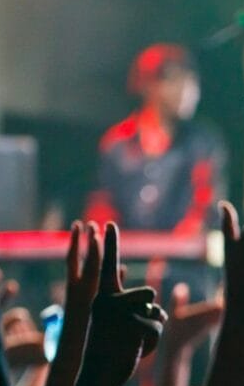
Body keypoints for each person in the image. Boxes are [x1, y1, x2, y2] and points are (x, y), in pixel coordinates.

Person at [84, 43, 226, 298]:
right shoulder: (116, 143)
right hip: (126, 268)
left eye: (192, 83)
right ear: (149, 85)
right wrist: (110, 251)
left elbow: (204, 207)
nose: (188, 92)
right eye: (177, 81)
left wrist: (167, 254)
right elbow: (102, 205)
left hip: (185, 273)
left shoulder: (203, 143)